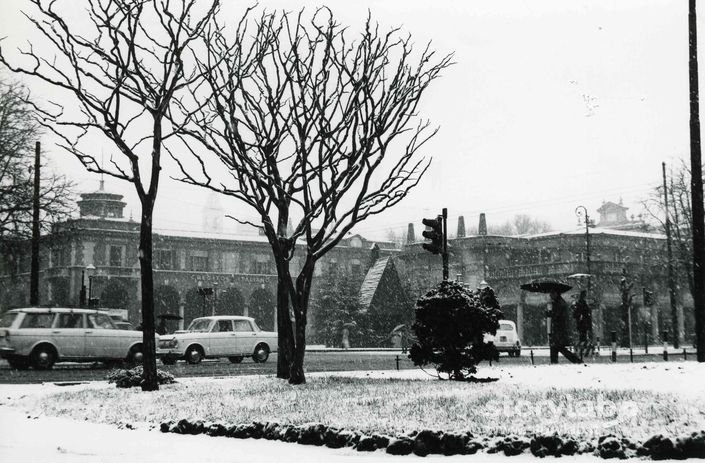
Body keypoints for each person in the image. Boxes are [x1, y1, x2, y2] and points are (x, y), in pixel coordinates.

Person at [547, 289, 581, 364]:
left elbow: (558, 316)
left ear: (556, 293)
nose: (550, 295)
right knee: (556, 347)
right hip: (559, 330)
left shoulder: (560, 303)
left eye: (552, 293)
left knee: (558, 347)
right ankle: (554, 362)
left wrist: (551, 314)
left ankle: (576, 361)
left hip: (559, 330)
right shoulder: (558, 302)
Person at [572, 290, 593, 358]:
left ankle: (581, 352)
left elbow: (575, 314)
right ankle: (582, 352)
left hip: (582, 324)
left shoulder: (580, 303)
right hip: (583, 324)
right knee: (583, 339)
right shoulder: (582, 304)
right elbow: (582, 314)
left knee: (582, 338)